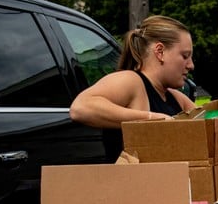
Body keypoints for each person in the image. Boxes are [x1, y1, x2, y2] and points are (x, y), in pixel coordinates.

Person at [69, 15, 196, 161]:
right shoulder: (132, 81)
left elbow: (214, 126)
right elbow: (80, 108)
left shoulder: (178, 98)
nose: (191, 65)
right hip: (129, 182)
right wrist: (151, 119)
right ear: (160, 52)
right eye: (185, 56)